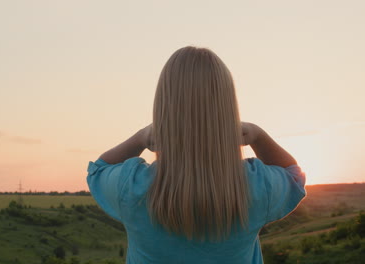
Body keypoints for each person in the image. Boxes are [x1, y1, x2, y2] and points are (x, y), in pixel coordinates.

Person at [86, 46, 306, 263]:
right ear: (227, 108)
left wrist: (141, 137)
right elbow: (293, 175)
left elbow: (98, 169)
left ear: (163, 106)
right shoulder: (257, 186)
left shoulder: (132, 187)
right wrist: (259, 136)